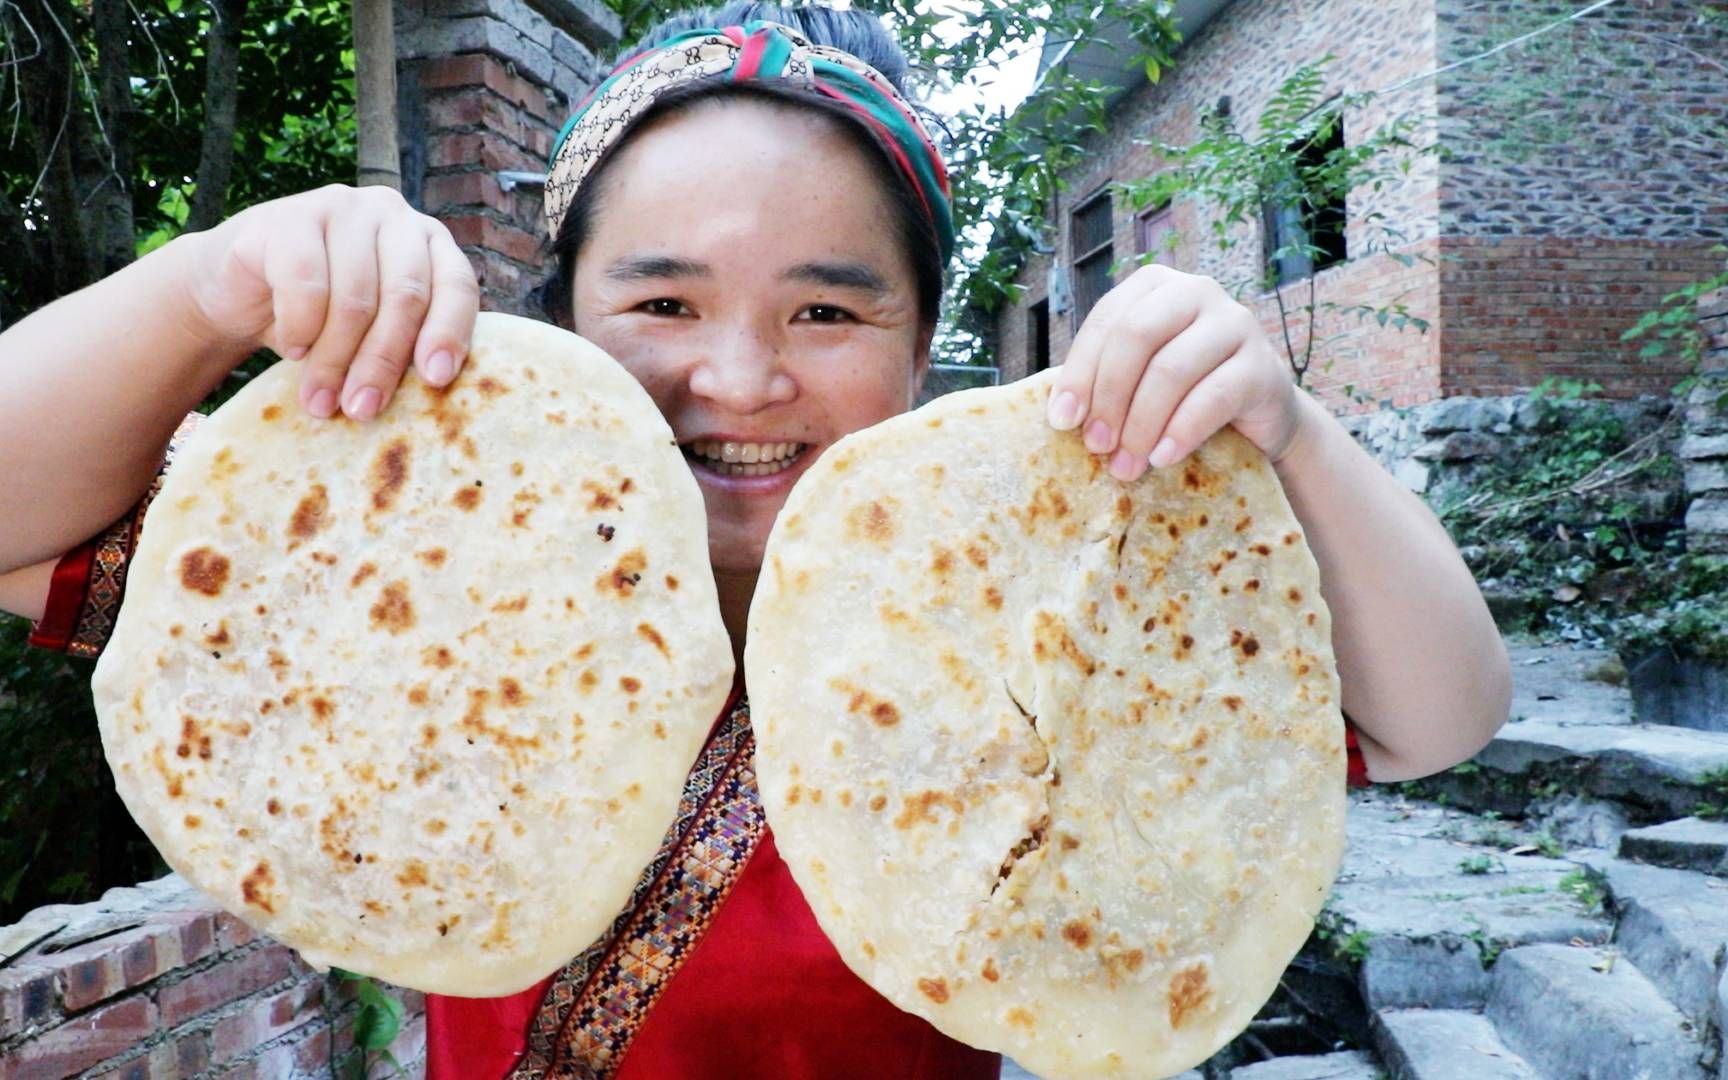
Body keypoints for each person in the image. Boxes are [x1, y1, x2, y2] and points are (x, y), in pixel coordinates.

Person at [0, 4, 1512, 1076]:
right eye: (661, 303)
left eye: (828, 309)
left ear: (926, 353)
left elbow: (1441, 716)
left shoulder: (1044, 632)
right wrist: (214, 287)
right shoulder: (395, 596)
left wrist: (1291, 430)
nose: (739, 376)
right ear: (559, 328)